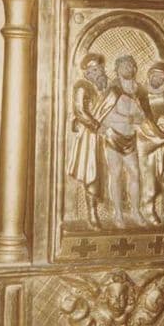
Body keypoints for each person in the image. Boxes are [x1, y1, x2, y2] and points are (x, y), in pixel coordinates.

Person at [67, 53, 109, 230]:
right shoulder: (82, 86)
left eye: (99, 69)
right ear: (86, 74)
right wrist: (96, 126)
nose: (97, 73)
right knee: (92, 173)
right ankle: (92, 212)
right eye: (92, 71)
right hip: (90, 137)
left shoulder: (108, 88)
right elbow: (79, 111)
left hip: (111, 136)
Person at [138, 62, 164, 225]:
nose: (157, 79)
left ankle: (148, 206)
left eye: (161, 77)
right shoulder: (141, 94)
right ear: (149, 76)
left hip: (160, 140)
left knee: (161, 176)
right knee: (148, 177)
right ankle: (147, 208)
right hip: (143, 138)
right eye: (155, 75)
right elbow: (142, 119)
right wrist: (159, 135)